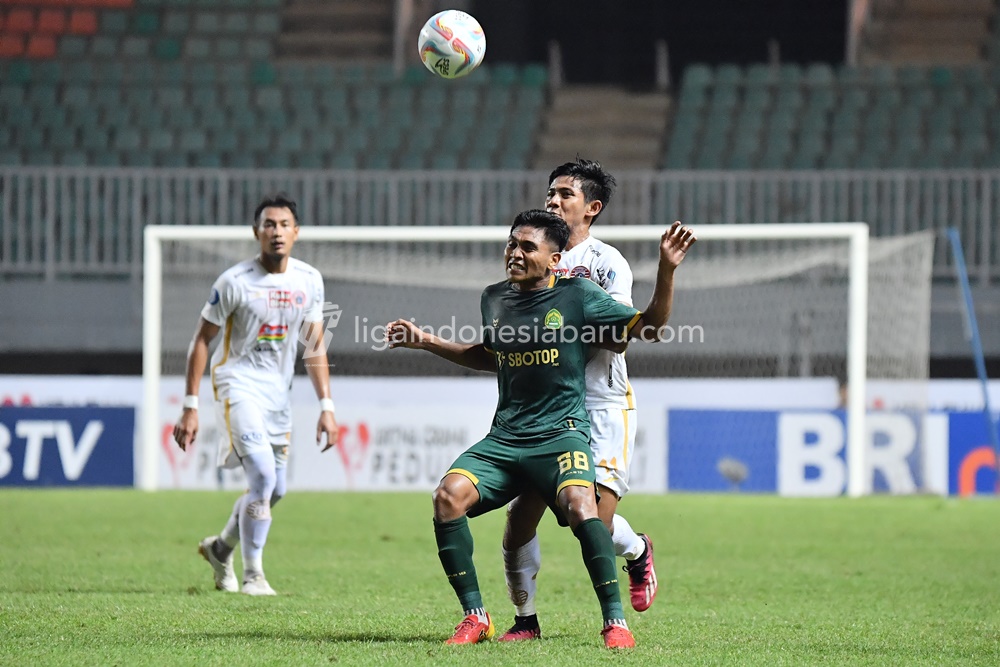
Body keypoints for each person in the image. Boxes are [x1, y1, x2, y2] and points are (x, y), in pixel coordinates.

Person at [387, 209, 695, 648]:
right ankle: (477, 617)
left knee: (582, 509)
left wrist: (666, 270)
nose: (515, 252)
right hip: (506, 437)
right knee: (447, 498)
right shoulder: (494, 298)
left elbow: (648, 327)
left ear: (554, 260)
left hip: (561, 435)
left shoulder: (578, 295)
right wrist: (427, 341)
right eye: (512, 244)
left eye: (527, 247)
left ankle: (615, 623)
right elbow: (491, 356)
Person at [499, 158, 657, 642]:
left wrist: (563, 323)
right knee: (519, 520)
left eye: (565, 194)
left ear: (592, 208)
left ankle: (636, 549)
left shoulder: (607, 264)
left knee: (588, 522)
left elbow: (620, 337)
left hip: (601, 402)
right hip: (546, 408)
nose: (553, 200)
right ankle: (525, 622)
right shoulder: (533, 257)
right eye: (550, 192)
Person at [172, 194, 339, 596]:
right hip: (237, 385)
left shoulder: (309, 280)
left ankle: (220, 548)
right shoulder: (234, 282)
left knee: (275, 489)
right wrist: (190, 405)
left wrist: (327, 406)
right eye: (269, 224)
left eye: (284, 224)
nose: (276, 231)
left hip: (278, 395)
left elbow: (315, 345)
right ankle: (253, 575)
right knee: (262, 475)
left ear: (296, 232)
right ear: (256, 232)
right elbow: (201, 340)